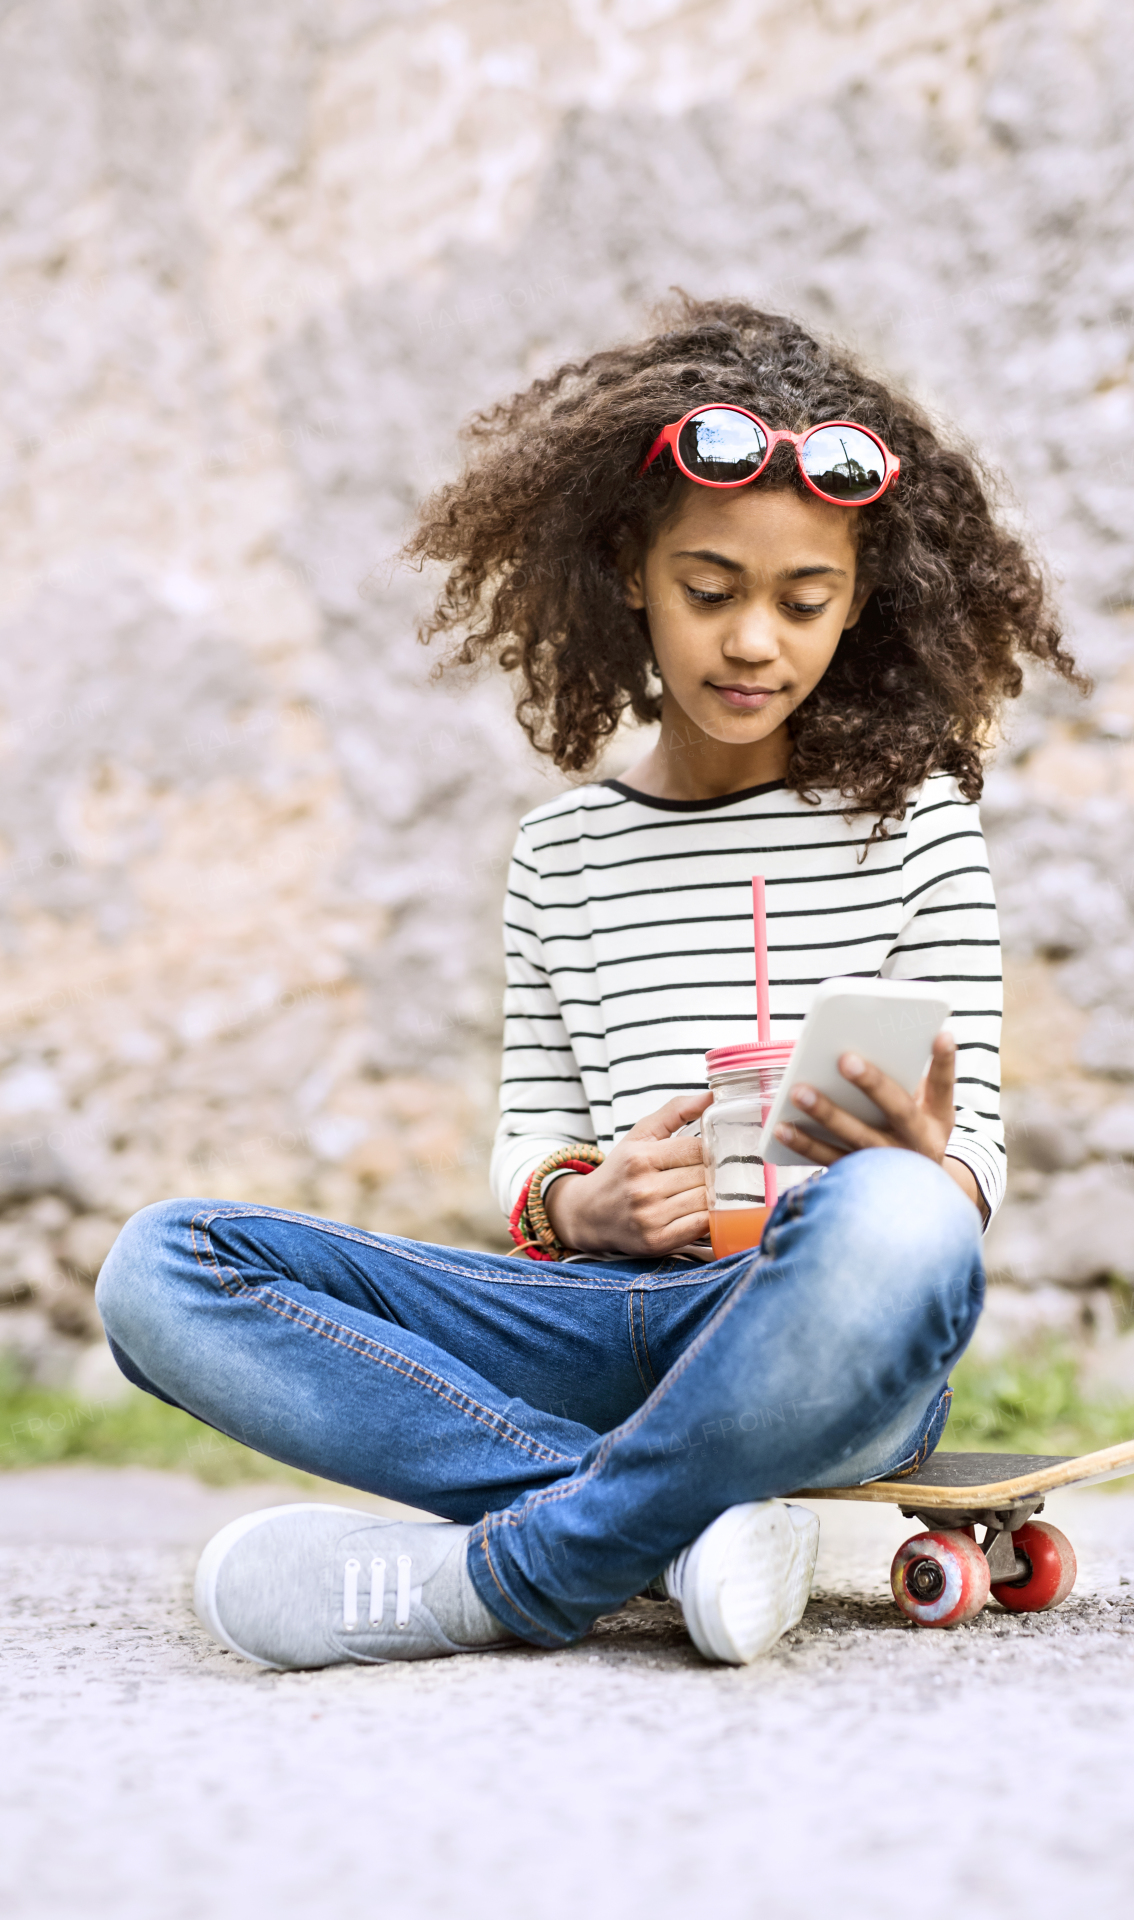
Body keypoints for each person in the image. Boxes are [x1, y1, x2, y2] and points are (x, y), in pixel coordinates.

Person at [96, 298, 1082, 1670]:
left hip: (818, 1322)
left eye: (806, 601)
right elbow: (530, 1133)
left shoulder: (918, 822)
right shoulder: (561, 853)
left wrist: (918, 1171)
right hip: (602, 1318)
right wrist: (578, 1197)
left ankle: (517, 1572)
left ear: (860, 601)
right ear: (631, 568)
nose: (755, 643)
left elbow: (975, 1152)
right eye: (712, 588)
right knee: (163, 1268)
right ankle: (676, 1539)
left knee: (908, 1223)